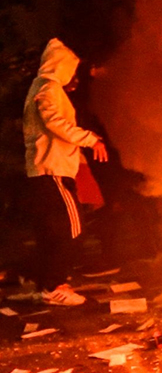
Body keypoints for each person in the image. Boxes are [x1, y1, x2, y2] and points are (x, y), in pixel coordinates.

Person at [22, 38, 108, 305]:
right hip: (54, 169)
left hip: (49, 168)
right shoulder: (48, 88)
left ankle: (47, 286)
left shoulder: (44, 87)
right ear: (59, 65)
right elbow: (55, 122)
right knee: (72, 228)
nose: (72, 74)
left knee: (53, 231)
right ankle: (55, 285)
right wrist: (90, 139)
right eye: (70, 68)